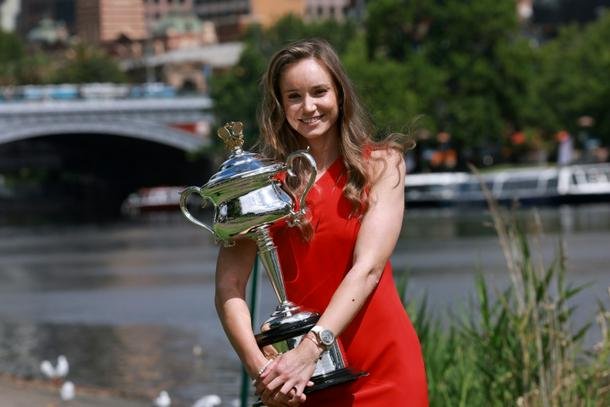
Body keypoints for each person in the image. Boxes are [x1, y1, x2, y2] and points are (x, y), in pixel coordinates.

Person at [214, 38, 428, 407]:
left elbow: (368, 269)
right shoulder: (261, 186)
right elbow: (228, 286)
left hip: (384, 369)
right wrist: (263, 373)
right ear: (280, 105)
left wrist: (310, 350)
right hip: (304, 382)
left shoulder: (382, 165)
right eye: (294, 96)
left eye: (319, 92)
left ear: (340, 94)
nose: (309, 106)